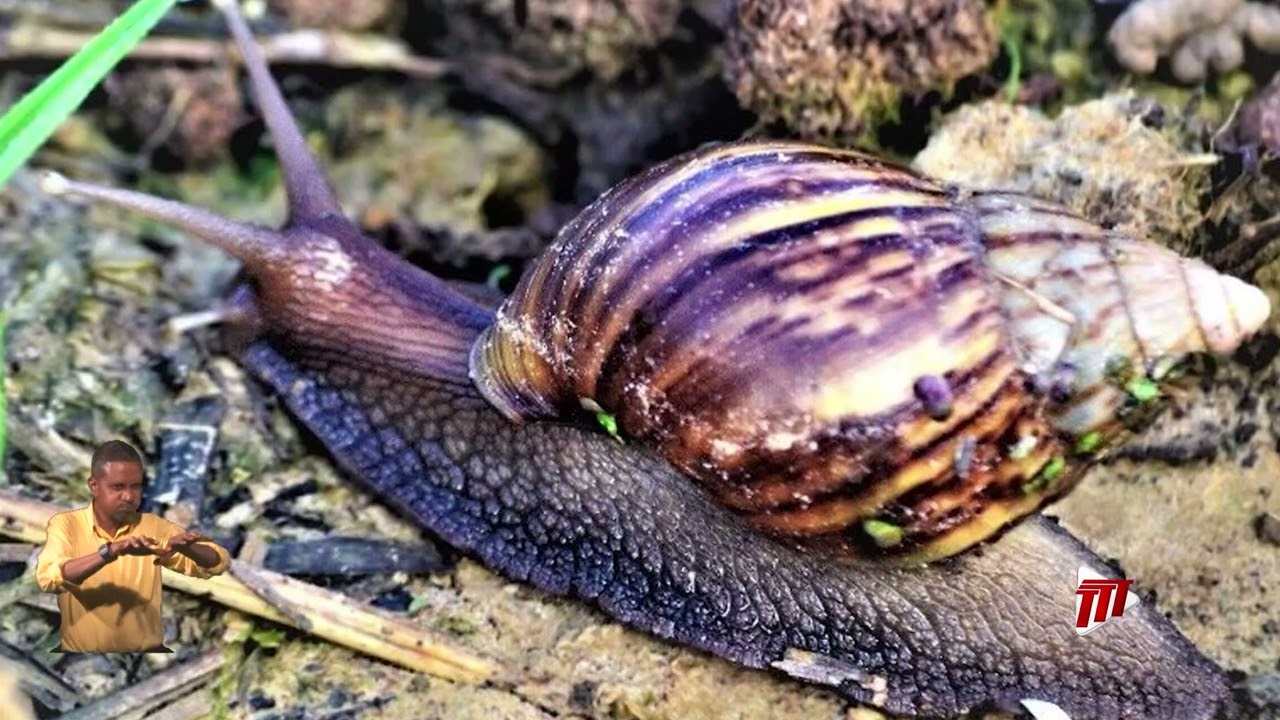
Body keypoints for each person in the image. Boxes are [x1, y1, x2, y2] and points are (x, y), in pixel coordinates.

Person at [34, 440, 231, 653]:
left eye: (134, 487)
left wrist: (188, 548)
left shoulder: (153, 526)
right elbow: (51, 577)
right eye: (117, 487)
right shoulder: (67, 524)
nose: (128, 496)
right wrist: (109, 552)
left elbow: (217, 564)